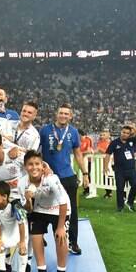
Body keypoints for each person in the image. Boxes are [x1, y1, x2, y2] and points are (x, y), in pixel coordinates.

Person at [39, 103, 89, 255]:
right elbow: (38, 151)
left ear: (71, 116)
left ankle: (73, 241)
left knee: (71, 210)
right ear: (57, 114)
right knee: (40, 208)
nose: (63, 116)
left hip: (67, 176)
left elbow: (78, 154)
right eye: (61, 113)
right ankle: (39, 236)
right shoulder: (45, 130)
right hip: (48, 176)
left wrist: (85, 174)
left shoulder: (73, 132)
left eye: (66, 114)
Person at [18, 151, 70, 272]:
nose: (34, 167)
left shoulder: (51, 178)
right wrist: (28, 199)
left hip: (59, 209)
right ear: (25, 167)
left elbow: (63, 202)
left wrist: (60, 227)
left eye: (37, 164)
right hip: (39, 208)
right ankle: (42, 271)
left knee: (60, 237)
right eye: (30, 164)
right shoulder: (22, 182)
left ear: (42, 166)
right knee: (35, 237)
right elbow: (27, 209)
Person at [0, 182, 29, 272]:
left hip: (20, 229)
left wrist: (22, 241)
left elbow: (21, 223)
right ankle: (3, 271)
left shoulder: (16, 205)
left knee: (22, 248)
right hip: (5, 229)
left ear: (4, 197)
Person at [104, 125, 136, 212]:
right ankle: (120, 207)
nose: (125, 134)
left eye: (127, 133)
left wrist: (133, 127)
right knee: (120, 189)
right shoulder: (114, 143)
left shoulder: (131, 140)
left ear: (130, 134)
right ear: (120, 132)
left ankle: (130, 202)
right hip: (119, 170)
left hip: (131, 169)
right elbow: (107, 154)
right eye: (123, 132)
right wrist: (105, 167)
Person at [96, 129, 113, 199]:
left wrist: (100, 150)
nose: (101, 136)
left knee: (109, 176)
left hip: (109, 162)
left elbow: (108, 152)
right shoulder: (100, 142)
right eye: (101, 135)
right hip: (102, 162)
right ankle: (107, 192)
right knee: (103, 178)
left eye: (103, 135)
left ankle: (109, 192)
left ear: (108, 136)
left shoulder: (110, 143)